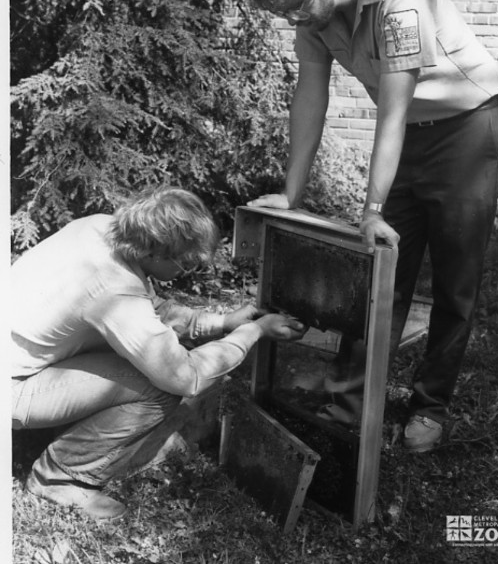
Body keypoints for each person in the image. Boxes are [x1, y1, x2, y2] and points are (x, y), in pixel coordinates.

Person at [246, 0, 498, 452]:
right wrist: (290, 193)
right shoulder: (315, 16)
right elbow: (310, 97)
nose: (291, 18)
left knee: (455, 279)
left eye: (295, 6)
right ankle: (348, 403)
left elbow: (392, 109)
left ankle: (429, 406)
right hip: (410, 137)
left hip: (468, 133)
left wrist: (372, 205)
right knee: (379, 271)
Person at [11, 186, 305, 520]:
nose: (188, 271)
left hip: (23, 361)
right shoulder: (115, 289)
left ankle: (68, 434)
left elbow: (146, 306)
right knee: (158, 387)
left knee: (136, 365)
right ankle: (58, 478)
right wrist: (253, 331)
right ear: (154, 253)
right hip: (13, 388)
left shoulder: (99, 228)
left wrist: (221, 321)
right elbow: (185, 376)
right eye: (187, 264)